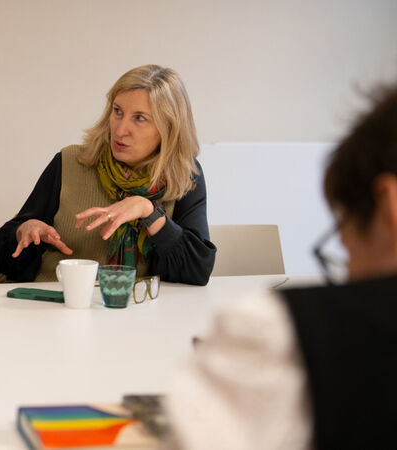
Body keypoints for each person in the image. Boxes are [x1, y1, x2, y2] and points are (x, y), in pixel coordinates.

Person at [166, 85, 397, 449]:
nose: (348, 266)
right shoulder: (69, 165)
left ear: (388, 204)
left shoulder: (283, 337)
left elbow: (198, 265)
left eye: (345, 235)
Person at [0, 65, 215, 285]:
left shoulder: (185, 175)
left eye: (139, 118)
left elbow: (198, 271)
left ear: (168, 128)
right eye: (117, 112)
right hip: (56, 308)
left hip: (135, 314)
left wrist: (150, 212)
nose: (119, 129)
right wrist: (23, 231)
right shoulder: (69, 162)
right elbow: (2, 257)